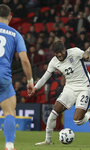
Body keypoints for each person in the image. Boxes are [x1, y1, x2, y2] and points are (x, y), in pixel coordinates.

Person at [30, 40, 90, 145]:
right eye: (56, 53)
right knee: (53, 114)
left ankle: (89, 114)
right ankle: (47, 141)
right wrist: (35, 88)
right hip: (70, 88)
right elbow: (45, 77)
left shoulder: (74, 52)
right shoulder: (54, 61)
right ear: (54, 53)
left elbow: (87, 54)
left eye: (61, 52)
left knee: (77, 121)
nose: (59, 54)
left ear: (64, 49)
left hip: (84, 87)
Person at [0, 4, 34, 150]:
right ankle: (9, 145)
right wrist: (30, 81)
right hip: (3, 77)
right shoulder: (16, 34)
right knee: (9, 112)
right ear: (11, 16)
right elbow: (25, 60)